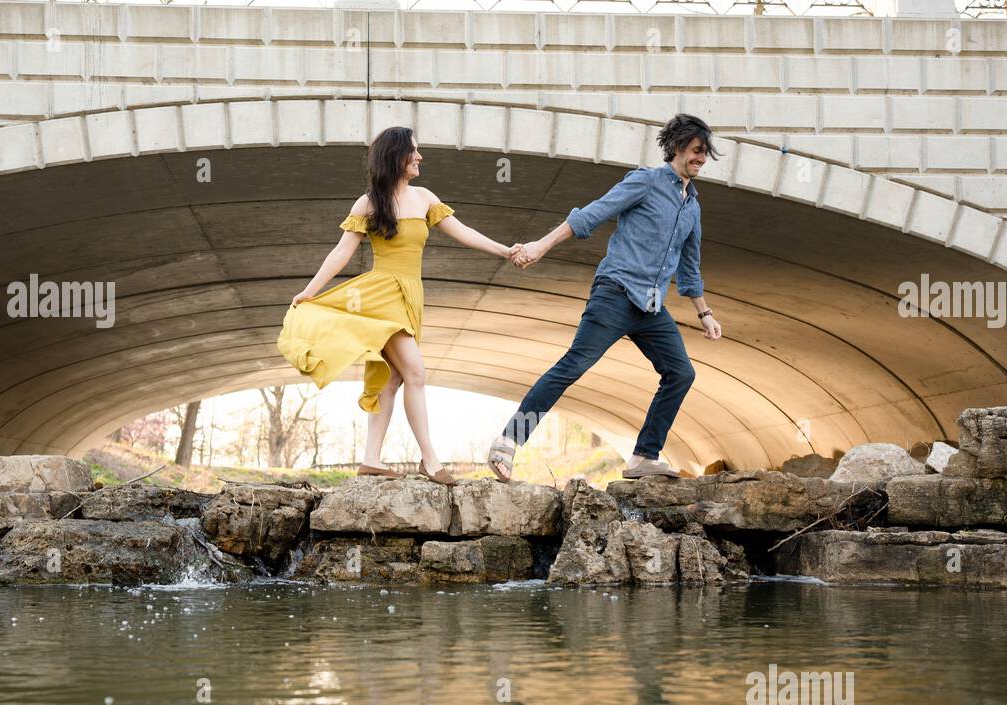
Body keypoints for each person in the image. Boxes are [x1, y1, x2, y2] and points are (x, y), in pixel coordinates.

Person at [277, 126, 523, 486]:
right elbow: (341, 252)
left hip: (410, 295)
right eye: (414, 151)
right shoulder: (369, 203)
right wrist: (310, 291)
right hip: (382, 296)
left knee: (392, 379)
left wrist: (505, 251)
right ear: (396, 156)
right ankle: (430, 459)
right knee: (416, 373)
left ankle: (370, 459)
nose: (420, 157)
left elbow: (463, 231)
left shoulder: (424, 198)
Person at [488, 113, 723, 482]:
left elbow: (689, 268)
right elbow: (592, 214)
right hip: (615, 293)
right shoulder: (645, 182)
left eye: (705, 154)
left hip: (650, 307)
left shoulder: (692, 206)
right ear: (678, 147)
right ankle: (507, 443)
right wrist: (541, 246)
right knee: (572, 367)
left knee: (680, 372)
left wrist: (704, 313)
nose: (701, 159)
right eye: (696, 151)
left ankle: (644, 456)